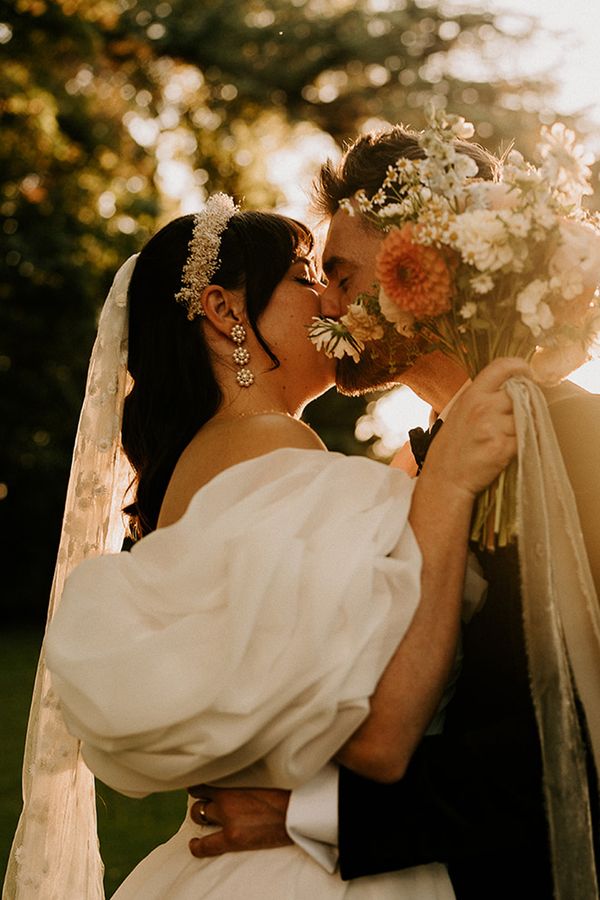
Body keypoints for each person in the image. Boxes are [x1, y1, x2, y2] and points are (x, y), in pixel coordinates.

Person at [12, 193, 526, 900]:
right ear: (225, 312)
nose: (328, 302)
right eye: (304, 276)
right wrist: (446, 491)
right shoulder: (274, 455)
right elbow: (379, 736)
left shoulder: (217, 463)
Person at [184, 130, 600, 900]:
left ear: (426, 268)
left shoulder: (582, 445)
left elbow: (567, 744)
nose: (325, 307)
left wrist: (308, 810)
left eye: (340, 276)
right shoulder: (417, 467)